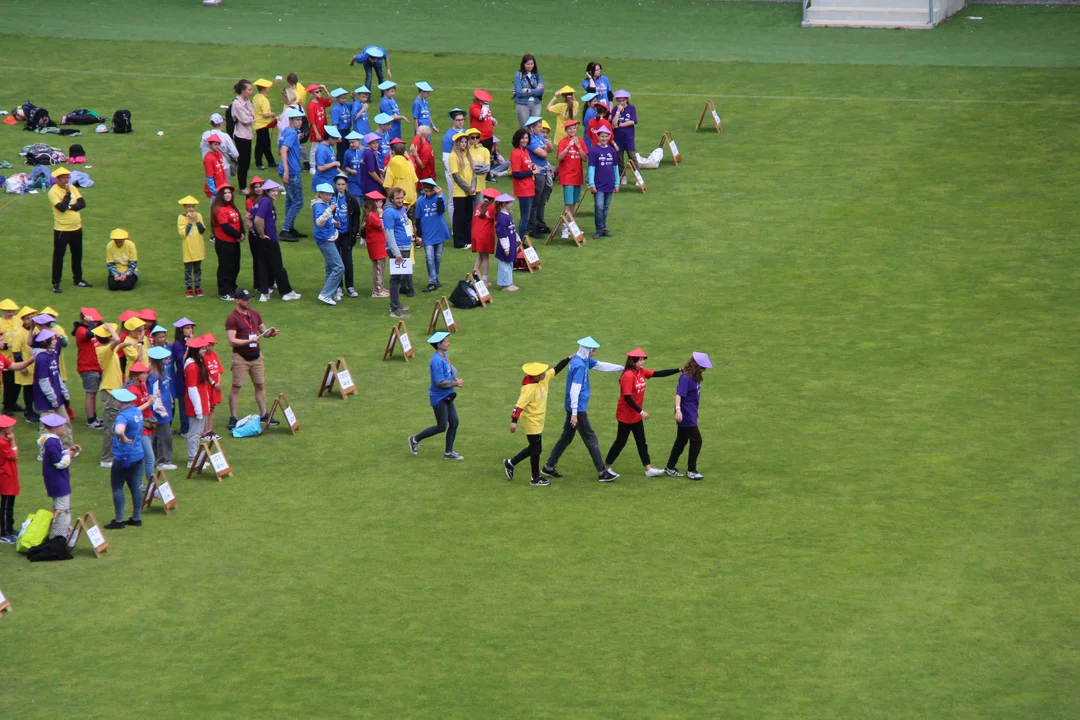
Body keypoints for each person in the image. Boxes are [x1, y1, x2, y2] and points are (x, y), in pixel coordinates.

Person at [541, 336, 624, 482]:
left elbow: (601, 365)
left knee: (566, 437)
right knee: (591, 438)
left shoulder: (581, 360)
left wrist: (623, 368)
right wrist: (574, 413)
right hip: (577, 408)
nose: (595, 353)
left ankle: (548, 467)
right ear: (587, 350)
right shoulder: (579, 365)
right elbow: (575, 390)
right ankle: (602, 472)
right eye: (593, 351)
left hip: (573, 407)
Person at [603, 349, 679, 477]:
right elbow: (627, 398)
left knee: (641, 441)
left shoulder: (641, 372)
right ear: (633, 361)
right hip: (626, 415)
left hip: (635, 416)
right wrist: (641, 411)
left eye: (643, 359)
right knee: (620, 442)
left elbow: (659, 373)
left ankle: (648, 469)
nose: (643, 362)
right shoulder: (628, 376)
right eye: (640, 360)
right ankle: (605, 467)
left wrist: (679, 370)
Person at [504, 356, 571, 486]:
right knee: (536, 450)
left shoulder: (543, 379)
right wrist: (513, 421)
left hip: (539, 421)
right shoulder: (528, 389)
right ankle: (535, 478)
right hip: (531, 422)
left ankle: (510, 463)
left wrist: (568, 358)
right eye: (541, 372)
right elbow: (518, 406)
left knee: (533, 448)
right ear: (534, 376)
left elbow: (556, 369)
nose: (545, 373)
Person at [225, 290, 280, 430]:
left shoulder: (255, 314)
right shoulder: (232, 318)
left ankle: (264, 414)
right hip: (240, 357)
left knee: (260, 385)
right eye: (245, 299)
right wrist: (248, 341)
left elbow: (264, 331)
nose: (248, 301)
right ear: (237, 300)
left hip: (256, 356)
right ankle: (233, 417)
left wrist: (270, 334)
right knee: (236, 386)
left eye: (249, 298)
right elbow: (232, 341)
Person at [408, 332, 464, 461]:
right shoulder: (436, 361)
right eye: (446, 342)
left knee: (454, 422)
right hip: (439, 397)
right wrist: (456, 383)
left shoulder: (444, 355)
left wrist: (455, 378)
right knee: (441, 426)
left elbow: (449, 370)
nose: (448, 343)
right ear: (439, 345)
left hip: (447, 394)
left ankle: (448, 452)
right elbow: (439, 382)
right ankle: (414, 439)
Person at [251, 179, 301, 302]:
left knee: (263, 265)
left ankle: (265, 293)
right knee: (278, 267)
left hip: (263, 240)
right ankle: (286, 292)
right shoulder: (266, 202)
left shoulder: (260, 201)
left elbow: (248, 216)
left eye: (276, 191)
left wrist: (255, 232)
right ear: (267, 192)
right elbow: (257, 220)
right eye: (273, 191)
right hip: (269, 239)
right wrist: (262, 234)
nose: (275, 193)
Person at [664, 352, 711, 480]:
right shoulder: (686, 378)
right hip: (685, 415)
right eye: (702, 367)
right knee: (697, 440)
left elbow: (694, 396)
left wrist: (696, 409)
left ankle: (670, 467)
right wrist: (678, 410)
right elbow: (679, 395)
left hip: (691, 412)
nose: (704, 370)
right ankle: (691, 470)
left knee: (681, 440)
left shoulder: (695, 377)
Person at [48, 166, 92, 295]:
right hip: (62, 229)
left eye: (67, 177)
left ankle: (78, 279)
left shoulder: (72, 187)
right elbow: (61, 207)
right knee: (59, 257)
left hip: (76, 228)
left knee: (77, 255)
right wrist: (67, 194)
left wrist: (72, 207)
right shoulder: (53, 192)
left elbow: (82, 203)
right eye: (63, 178)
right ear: (57, 179)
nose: (66, 180)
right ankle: (56, 283)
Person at [38, 412, 80, 538]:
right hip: (58, 480)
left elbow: (59, 454)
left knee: (58, 506)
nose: (63, 428)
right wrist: (70, 456)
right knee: (62, 508)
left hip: (55, 480)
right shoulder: (52, 442)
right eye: (61, 426)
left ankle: (59, 533)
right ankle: (59, 535)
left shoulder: (50, 441)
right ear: (55, 428)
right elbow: (60, 463)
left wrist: (70, 450)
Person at [31, 330, 71, 448]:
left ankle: (66, 448)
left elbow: (56, 374)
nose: (55, 341)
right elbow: (43, 381)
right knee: (46, 427)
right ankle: (44, 453)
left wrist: (64, 391)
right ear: (44, 342)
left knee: (65, 422)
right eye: (53, 339)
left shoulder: (52, 353)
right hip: (46, 398)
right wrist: (53, 399)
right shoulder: (42, 358)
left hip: (57, 395)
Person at [123, 361, 157, 486]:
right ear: (136, 375)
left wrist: (152, 398)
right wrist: (148, 403)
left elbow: (144, 400)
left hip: (146, 425)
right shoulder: (131, 390)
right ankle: (152, 486)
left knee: (142, 458)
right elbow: (133, 411)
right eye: (144, 373)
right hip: (138, 428)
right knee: (149, 458)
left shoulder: (142, 385)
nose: (146, 375)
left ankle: (139, 484)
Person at [312, 183, 346, 306]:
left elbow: (326, 219)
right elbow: (319, 222)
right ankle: (326, 294)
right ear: (320, 194)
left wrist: (333, 222)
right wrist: (330, 210)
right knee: (339, 267)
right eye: (326, 194)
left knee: (330, 267)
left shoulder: (323, 204)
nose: (329, 197)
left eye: (330, 194)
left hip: (327, 237)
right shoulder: (320, 206)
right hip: (325, 239)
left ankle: (329, 294)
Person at [383, 186, 414, 319]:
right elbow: (389, 234)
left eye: (402, 197)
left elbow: (404, 226)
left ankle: (396, 304)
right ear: (391, 198)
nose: (400, 200)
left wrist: (412, 238)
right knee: (396, 278)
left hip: (405, 247)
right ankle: (394, 309)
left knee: (400, 277)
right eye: (397, 198)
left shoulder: (401, 209)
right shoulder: (389, 212)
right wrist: (396, 253)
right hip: (398, 249)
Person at [415, 179, 450, 292]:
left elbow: (441, 211)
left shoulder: (440, 197)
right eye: (426, 191)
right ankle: (432, 281)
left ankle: (435, 278)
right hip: (427, 232)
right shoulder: (420, 200)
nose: (428, 193)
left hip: (439, 231)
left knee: (438, 257)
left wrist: (439, 196)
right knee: (429, 257)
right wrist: (419, 235)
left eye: (430, 191)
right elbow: (418, 218)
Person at [277, 108, 307, 241]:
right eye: (297, 120)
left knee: (290, 200)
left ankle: (289, 227)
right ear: (291, 121)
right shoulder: (292, 134)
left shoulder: (286, 132)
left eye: (301, 119)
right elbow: (283, 150)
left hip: (286, 169)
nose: (300, 122)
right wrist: (287, 171)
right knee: (298, 202)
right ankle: (285, 229)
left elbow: (279, 149)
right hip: (292, 171)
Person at [181, 336, 211, 467]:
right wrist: (198, 409)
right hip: (196, 405)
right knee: (194, 433)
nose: (205, 350)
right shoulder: (192, 366)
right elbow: (192, 388)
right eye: (203, 348)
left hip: (201, 402)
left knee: (198, 433)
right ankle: (192, 459)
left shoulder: (198, 361)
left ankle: (196, 458)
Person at [211, 184, 244, 301]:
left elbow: (239, 221)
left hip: (233, 242)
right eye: (225, 193)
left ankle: (232, 287)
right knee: (225, 267)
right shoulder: (220, 210)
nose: (228, 195)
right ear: (221, 195)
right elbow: (225, 227)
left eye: (229, 192)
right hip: (224, 242)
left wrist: (242, 233)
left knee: (235, 265)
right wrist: (239, 235)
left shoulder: (232, 207)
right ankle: (224, 291)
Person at [72, 307, 103, 427]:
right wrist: (91, 323)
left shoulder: (92, 328)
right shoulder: (81, 330)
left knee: (93, 394)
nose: (96, 323)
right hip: (88, 367)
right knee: (90, 394)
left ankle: (94, 417)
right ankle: (91, 421)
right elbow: (89, 334)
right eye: (93, 321)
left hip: (95, 367)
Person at [146, 346, 176, 472]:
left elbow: (165, 388)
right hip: (160, 411)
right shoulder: (153, 375)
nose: (168, 359)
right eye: (165, 358)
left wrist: (170, 399)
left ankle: (156, 459)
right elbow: (153, 393)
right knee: (165, 435)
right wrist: (160, 410)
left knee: (158, 435)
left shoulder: (162, 370)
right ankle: (164, 461)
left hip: (165, 407)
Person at [556, 120, 587, 238]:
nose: (572, 130)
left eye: (574, 128)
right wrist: (568, 147)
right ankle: (565, 228)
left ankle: (571, 226)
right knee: (568, 204)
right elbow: (559, 157)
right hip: (567, 176)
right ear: (566, 130)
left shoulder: (581, 141)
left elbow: (584, 158)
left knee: (573, 203)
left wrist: (578, 147)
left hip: (577, 177)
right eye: (569, 129)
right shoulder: (563, 142)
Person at [587, 122, 619, 239]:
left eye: (606, 136)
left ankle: (603, 228)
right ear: (598, 137)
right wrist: (592, 184)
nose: (604, 138)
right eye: (602, 136)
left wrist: (617, 183)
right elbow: (591, 168)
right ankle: (599, 229)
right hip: (599, 185)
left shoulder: (612, 151)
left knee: (606, 207)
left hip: (610, 184)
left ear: (609, 136)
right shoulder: (594, 151)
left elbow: (615, 168)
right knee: (599, 207)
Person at [524, 116, 553, 237]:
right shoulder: (530, 140)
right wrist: (545, 149)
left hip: (544, 172)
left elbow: (549, 151)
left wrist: (549, 145)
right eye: (539, 126)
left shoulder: (540, 137)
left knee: (542, 201)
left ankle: (540, 223)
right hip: (537, 173)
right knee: (535, 201)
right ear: (532, 128)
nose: (541, 129)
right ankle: (532, 227)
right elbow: (543, 154)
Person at [333, 173, 361, 298]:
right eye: (338, 184)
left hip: (346, 234)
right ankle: (338, 286)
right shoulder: (332, 197)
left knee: (347, 261)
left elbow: (356, 216)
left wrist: (354, 233)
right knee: (336, 261)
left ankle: (350, 286)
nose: (340, 187)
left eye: (343, 184)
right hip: (334, 234)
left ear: (346, 185)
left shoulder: (351, 199)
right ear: (335, 185)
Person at [448, 132, 476, 249]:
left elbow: (474, 172)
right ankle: (459, 242)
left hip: (470, 191)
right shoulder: (453, 156)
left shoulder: (468, 155)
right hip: (460, 192)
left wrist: (473, 187)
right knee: (459, 217)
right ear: (457, 143)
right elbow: (456, 176)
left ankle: (467, 238)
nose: (464, 144)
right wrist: (468, 188)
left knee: (468, 216)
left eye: (465, 142)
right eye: (462, 142)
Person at [176, 196, 207, 297]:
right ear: (185, 207)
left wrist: (197, 221)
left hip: (198, 245)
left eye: (192, 207)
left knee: (198, 269)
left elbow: (202, 230)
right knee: (188, 269)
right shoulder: (181, 217)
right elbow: (183, 233)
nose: (191, 209)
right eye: (189, 207)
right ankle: (189, 288)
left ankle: (198, 287)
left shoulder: (198, 215)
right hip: (188, 247)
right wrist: (189, 222)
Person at [509, 128, 539, 233]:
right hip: (523, 189)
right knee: (525, 217)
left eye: (526, 138)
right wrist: (532, 172)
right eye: (522, 138)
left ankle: (521, 241)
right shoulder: (516, 153)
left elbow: (525, 167)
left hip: (529, 187)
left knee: (526, 215)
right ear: (518, 139)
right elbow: (516, 174)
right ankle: (521, 241)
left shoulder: (525, 151)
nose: (525, 140)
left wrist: (532, 166)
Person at [442, 109, 467, 224]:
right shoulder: (448, 137)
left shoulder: (465, 132)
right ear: (453, 120)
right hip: (453, 173)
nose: (460, 122)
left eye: (462, 120)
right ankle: (454, 225)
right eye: (458, 120)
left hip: (465, 172)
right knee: (453, 200)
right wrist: (454, 175)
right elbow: (446, 159)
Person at [363, 191, 390, 298]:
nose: (381, 204)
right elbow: (380, 225)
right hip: (376, 244)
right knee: (379, 267)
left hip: (379, 243)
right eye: (379, 202)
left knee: (380, 266)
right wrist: (381, 215)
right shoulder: (372, 215)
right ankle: (377, 290)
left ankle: (380, 287)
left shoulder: (372, 214)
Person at [230, 80, 256, 189]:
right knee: (243, 162)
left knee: (247, 162)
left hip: (247, 135)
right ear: (243, 90)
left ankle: (244, 185)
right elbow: (245, 120)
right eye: (249, 90)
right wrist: (250, 117)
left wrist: (250, 116)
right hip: (241, 136)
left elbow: (253, 114)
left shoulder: (247, 101)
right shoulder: (237, 103)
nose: (251, 92)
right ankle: (242, 187)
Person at [493, 193, 520, 292]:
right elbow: (502, 234)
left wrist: (517, 238)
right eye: (510, 203)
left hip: (511, 243)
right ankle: (505, 284)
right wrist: (506, 247)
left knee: (509, 263)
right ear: (504, 204)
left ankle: (509, 282)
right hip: (506, 245)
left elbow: (512, 228)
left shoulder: (508, 214)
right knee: (504, 264)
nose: (512, 204)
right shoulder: (502, 218)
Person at [471, 188, 499, 284]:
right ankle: (484, 279)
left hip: (476, 234)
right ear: (493, 200)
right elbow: (497, 218)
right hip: (485, 235)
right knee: (485, 257)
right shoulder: (492, 208)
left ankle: (474, 276)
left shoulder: (479, 206)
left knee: (480, 256)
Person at [611, 90, 638, 186]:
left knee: (632, 157)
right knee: (619, 159)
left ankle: (638, 177)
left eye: (623, 100)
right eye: (619, 101)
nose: (621, 103)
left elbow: (632, 121)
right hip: (618, 138)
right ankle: (623, 177)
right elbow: (613, 123)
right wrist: (618, 112)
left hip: (628, 138)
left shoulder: (631, 108)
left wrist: (621, 125)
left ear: (627, 100)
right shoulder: (614, 109)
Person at [244, 176, 265, 290]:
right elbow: (253, 216)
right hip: (255, 233)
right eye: (256, 187)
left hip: (264, 231)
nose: (258, 189)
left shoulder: (265, 199)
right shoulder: (250, 201)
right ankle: (258, 285)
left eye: (260, 186)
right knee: (257, 259)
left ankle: (268, 282)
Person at [0, 414, 19, 543]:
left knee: (8, 504)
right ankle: (5, 532)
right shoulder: (3, 443)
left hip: (7, 476)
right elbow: (14, 455)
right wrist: (13, 441)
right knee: (6, 506)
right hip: (6, 477)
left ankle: (9, 529)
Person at [512, 54, 544, 128]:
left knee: (536, 128)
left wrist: (529, 90)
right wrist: (535, 90)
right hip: (523, 105)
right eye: (528, 64)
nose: (530, 66)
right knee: (524, 129)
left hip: (536, 104)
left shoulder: (537, 75)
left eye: (532, 64)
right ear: (523, 64)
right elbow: (519, 92)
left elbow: (541, 91)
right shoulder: (518, 75)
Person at [305, 84, 332, 172]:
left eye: (320, 91)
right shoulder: (311, 106)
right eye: (317, 92)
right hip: (317, 131)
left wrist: (325, 89)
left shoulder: (320, 101)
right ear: (312, 94)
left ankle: (321, 163)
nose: (319, 93)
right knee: (314, 149)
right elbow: (312, 122)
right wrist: (317, 134)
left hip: (323, 129)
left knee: (323, 147)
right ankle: (312, 166)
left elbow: (331, 100)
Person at [201, 334, 223, 440]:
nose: (211, 347)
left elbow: (218, 370)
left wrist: (218, 382)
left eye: (212, 345)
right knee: (207, 408)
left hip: (215, 386)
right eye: (209, 345)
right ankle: (205, 431)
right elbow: (205, 373)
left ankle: (209, 430)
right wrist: (213, 383)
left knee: (212, 408)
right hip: (208, 386)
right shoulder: (202, 356)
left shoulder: (214, 354)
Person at [252, 78, 277, 171]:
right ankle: (259, 163)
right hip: (262, 124)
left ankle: (271, 162)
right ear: (265, 89)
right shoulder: (264, 100)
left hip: (258, 124)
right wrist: (273, 114)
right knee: (261, 145)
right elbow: (265, 114)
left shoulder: (256, 97)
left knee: (266, 144)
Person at [468, 89, 498, 166]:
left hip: (489, 136)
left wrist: (492, 120)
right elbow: (481, 117)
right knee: (479, 158)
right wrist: (485, 106)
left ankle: (488, 175)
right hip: (479, 138)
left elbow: (488, 116)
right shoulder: (474, 107)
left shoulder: (484, 107)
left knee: (487, 157)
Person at [312, 124, 343, 196]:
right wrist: (334, 163)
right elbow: (320, 167)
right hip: (322, 183)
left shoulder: (330, 147)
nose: (336, 141)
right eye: (335, 139)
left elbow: (331, 163)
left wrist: (341, 173)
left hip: (329, 182)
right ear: (330, 138)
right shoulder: (322, 149)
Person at [328, 88, 354, 165]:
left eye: (345, 98)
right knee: (341, 150)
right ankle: (340, 165)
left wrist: (353, 98)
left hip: (347, 130)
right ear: (337, 98)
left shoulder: (345, 105)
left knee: (347, 148)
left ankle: (345, 164)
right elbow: (335, 124)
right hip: (341, 131)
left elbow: (355, 105)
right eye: (343, 98)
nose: (345, 100)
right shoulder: (335, 109)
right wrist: (337, 136)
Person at [467, 128, 491, 197]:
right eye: (472, 137)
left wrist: (473, 168)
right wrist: (480, 166)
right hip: (468, 185)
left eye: (477, 137)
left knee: (479, 207)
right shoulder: (465, 151)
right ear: (468, 138)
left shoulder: (485, 150)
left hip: (481, 186)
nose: (475, 139)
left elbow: (487, 168)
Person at [203, 134, 228, 199]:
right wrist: (214, 192)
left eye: (218, 144)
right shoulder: (208, 158)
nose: (218, 147)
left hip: (221, 187)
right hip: (214, 191)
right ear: (210, 145)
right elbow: (209, 177)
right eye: (215, 144)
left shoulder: (219, 154)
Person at [343, 131, 365, 198]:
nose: (351, 145)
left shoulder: (366, 151)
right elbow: (345, 166)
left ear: (359, 141)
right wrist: (350, 171)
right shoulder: (347, 152)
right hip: (353, 182)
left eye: (353, 142)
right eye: (350, 143)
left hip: (364, 181)